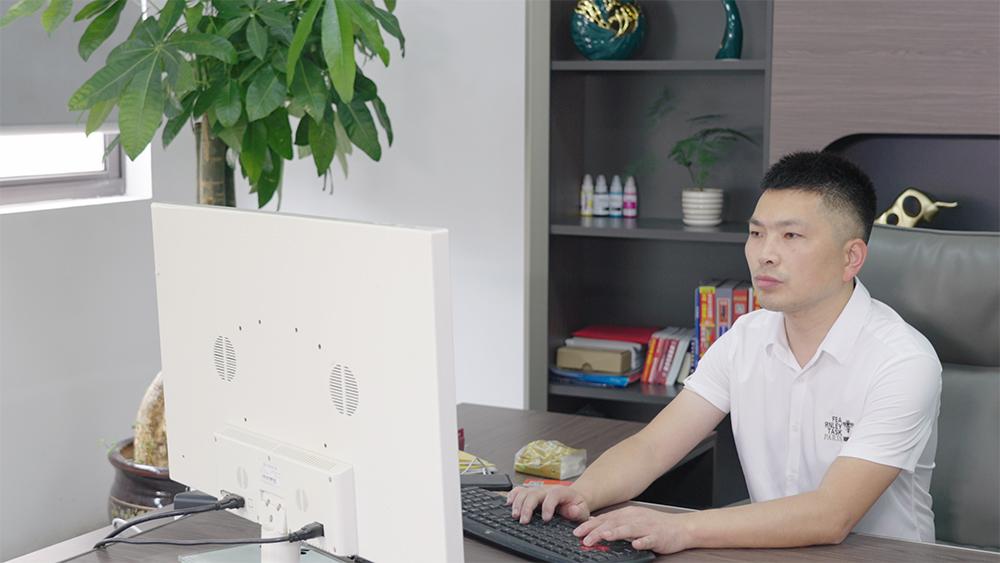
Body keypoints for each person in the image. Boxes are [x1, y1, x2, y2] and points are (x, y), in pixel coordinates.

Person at [507, 151, 942, 554]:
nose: (765, 254)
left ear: (851, 258)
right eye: (756, 233)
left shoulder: (903, 361)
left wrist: (681, 529)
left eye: (791, 235)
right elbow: (652, 448)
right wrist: (580, 493)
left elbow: (832, 515)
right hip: (769, 551)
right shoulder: (745, 338)